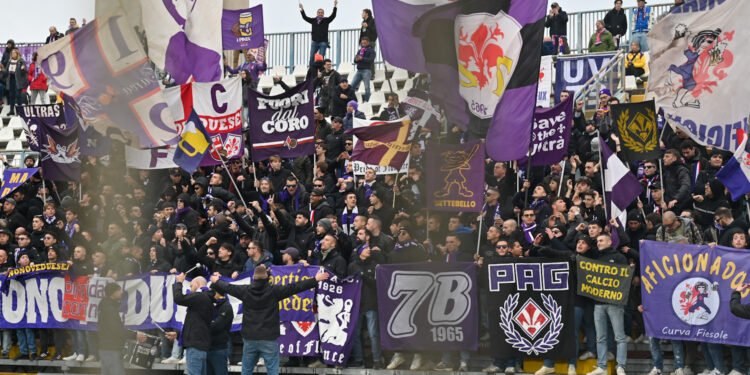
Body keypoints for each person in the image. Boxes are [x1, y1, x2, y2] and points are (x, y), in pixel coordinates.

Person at [210, 264, 330, 375]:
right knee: (272, 371)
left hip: (250, 337)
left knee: (246, 371)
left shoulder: (245, 290)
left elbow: (228, 287)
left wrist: (216, 281)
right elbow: (295, 287)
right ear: (267, 277)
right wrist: (315, 279)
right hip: (268, 337)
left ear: (253, 277)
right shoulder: (274, 291)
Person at [173, 273, 213, 375]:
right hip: (201, 347)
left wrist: (179, 283)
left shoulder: (199, 297)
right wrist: (177, 334)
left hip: (195, 347)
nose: (190, 289)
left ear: (198, 283)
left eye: (191, 286)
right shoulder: (208, 298)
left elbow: (178, 298)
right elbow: (196, 323)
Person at [98, 283, 130, 375]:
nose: (121, 292)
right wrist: (135, 335)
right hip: (111, 349)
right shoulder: (109, 309)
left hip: (106, 348)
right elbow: (116, 330)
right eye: (119, 290)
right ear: (113, 293)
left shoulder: (106, 307)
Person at [300, 0, 338, 66]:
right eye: (319, 12)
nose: (320, 13)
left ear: (323, 14)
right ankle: (311, 71)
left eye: (322, 12)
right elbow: (305, 18)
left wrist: (335, 6)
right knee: (312, 57)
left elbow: (333, 16)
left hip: (323, 42)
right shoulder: (313, 20)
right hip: (315, 41)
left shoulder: (326, 20)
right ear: (317, 13)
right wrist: (302, 9)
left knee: (321, 58)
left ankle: (320, 70)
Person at [206, 290, 234, 375]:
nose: (210, 294)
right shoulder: (209, 305)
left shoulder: (226, 306)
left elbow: (217, 325)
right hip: (206, 347)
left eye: (212, 291)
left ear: (217, 292)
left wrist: (205, 325)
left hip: (219, 348)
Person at [350, 37, 376, 102]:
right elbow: (355, 61)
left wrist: (362, 59)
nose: (363, 44)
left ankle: (367, 101)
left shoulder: (372, 51)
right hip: (359, 70)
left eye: (364, 43)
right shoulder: (360, 50)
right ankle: (352, 99)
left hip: (366, 70)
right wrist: (356, 59)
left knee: (367, 87)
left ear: (368, 42)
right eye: (362, 43)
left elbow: (371, 60)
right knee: (352, 86)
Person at [4, 48, 28, 116]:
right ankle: (11, 110)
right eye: (12, 53)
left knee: (18, 96)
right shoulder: (9, 61)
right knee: (11, 96)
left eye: (14, 53)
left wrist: (23, 69)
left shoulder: (21, 61)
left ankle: (19, 111)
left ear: (17, 54)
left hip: (18, 81)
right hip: (11, 80)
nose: (13, 54)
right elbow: (6, 71)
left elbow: (25, 72)